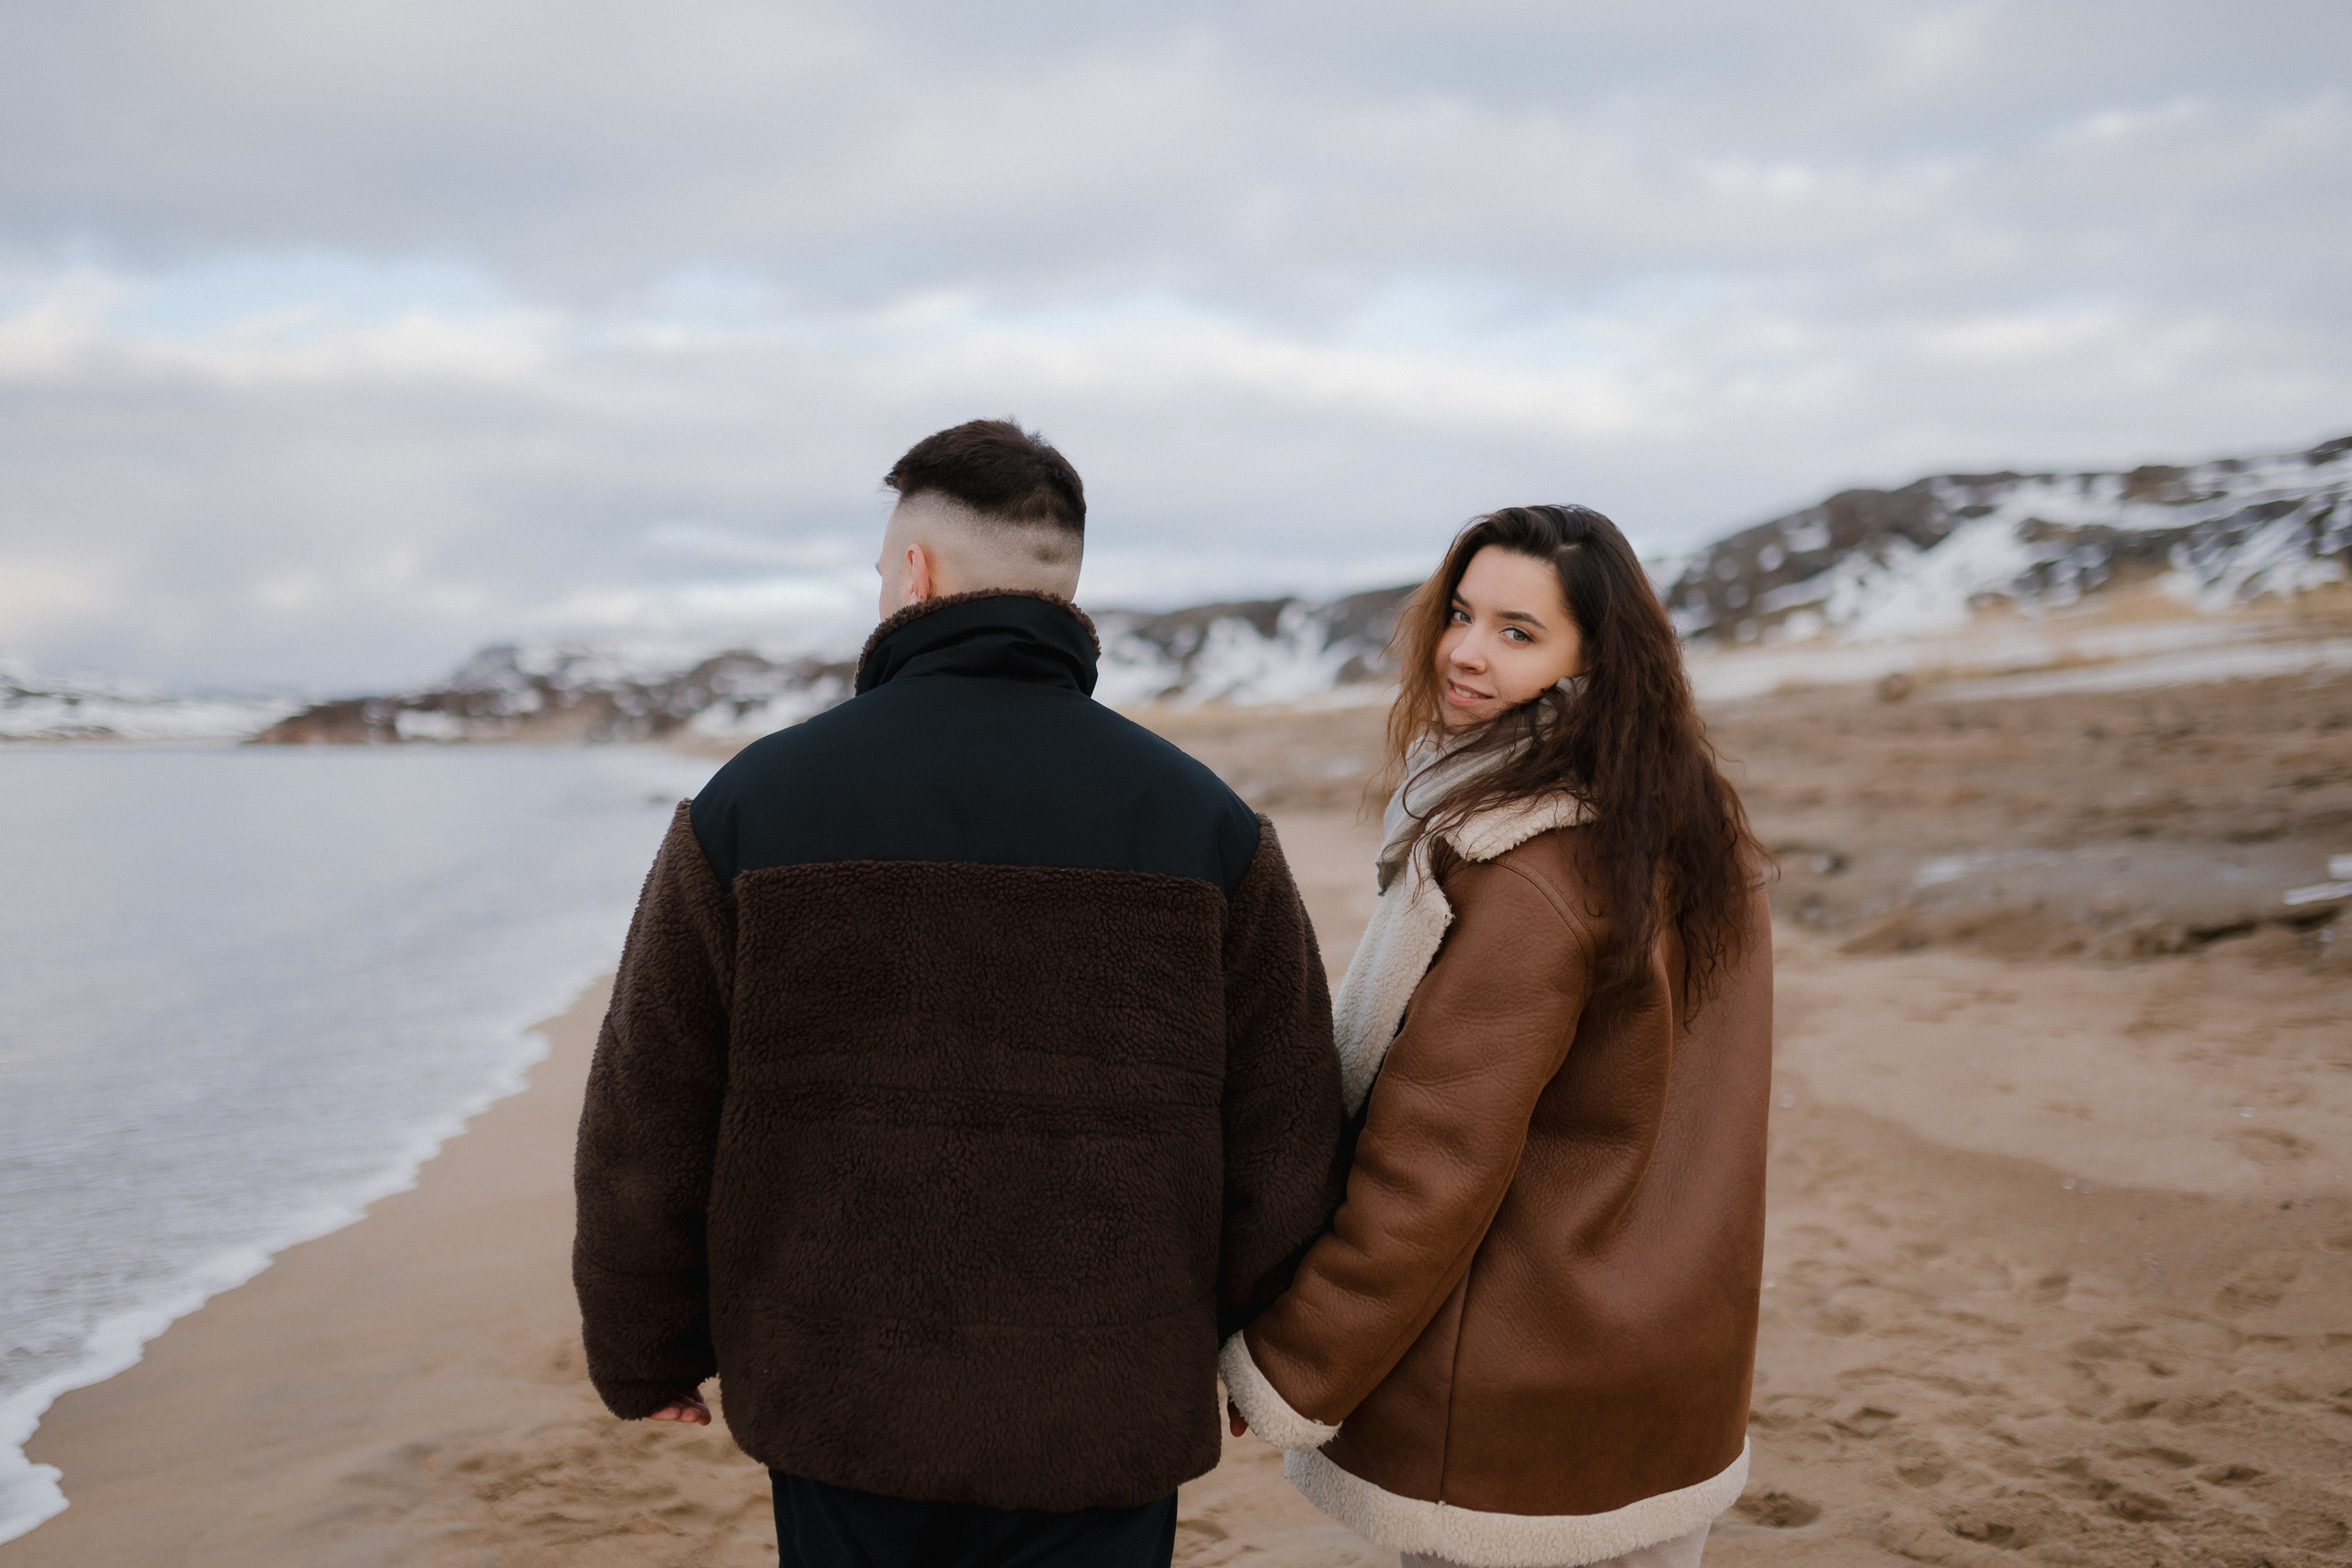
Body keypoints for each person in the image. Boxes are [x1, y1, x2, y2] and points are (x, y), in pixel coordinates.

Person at [571, 419, 1345, 1568]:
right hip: (1104, 1401)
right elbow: (1288, 1128)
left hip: (842, 1398)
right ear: (1064, 586)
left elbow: (650, 1110)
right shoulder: (1206, 824)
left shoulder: (752, 805)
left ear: (914, 572)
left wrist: (646, 1345)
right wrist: (1259, 1347)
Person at [1219, 503, 1774, 1568]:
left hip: (1517, 1393)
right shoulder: (1694, 828)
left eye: (1518, 632)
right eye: (1461, 614)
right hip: (1675, 1363)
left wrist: (1293, 1364)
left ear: (1596, 660)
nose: (1466, 652)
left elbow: (1432, 1164)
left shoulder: (1524, 865)